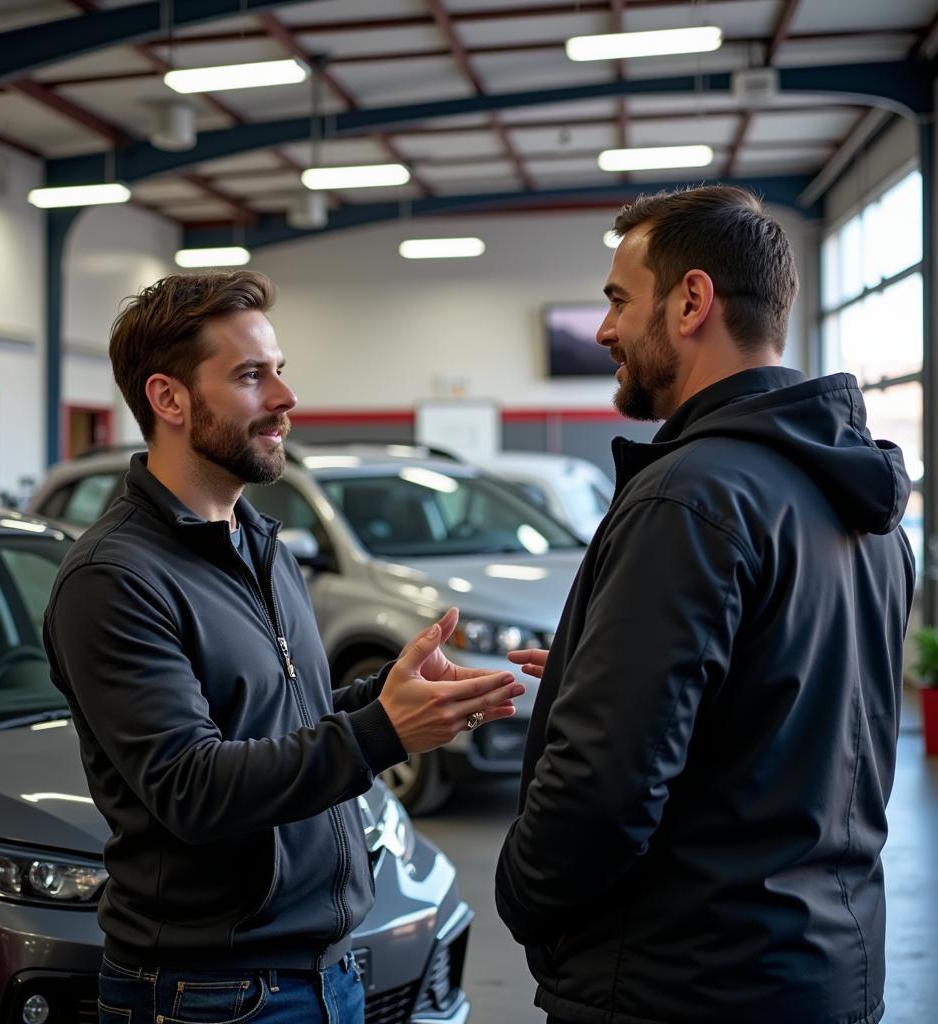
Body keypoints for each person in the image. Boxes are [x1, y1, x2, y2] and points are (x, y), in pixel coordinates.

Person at [44, 270, 524, 1024]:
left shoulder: (262, 546)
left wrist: (385, 697)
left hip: (326, 971)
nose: (284, 399)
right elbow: (190, 786)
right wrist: (379, 732)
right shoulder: (115, 578)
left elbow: (276, 720)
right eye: (249, 375)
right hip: (210, 994)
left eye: (279, 371)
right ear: (169, 399)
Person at [495, 185, 915, 1024]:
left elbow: (603, 791)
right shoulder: (863, 505)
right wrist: (601, 672)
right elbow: (792, 707)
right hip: (824, 969)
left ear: (691, 299)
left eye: (618, 300)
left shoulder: (688, 497)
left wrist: (523, 897)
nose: (605, 329)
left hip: (680, 982)